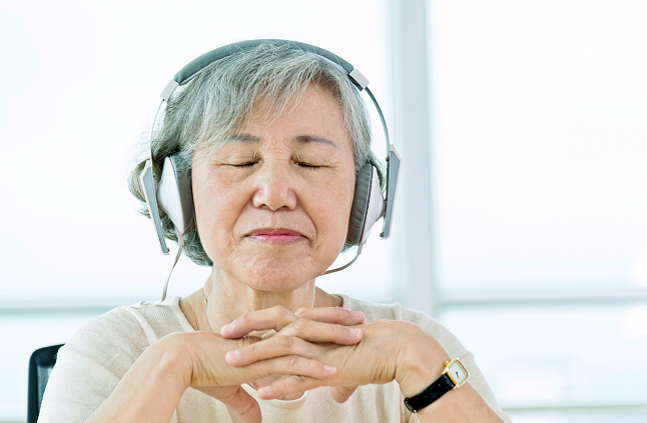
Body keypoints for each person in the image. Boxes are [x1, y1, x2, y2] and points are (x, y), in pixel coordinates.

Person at [38, 40, 511, 423]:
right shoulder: (114, 351)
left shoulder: (418, 348)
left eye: (311, 162)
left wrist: (420, 366)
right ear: (177, 193)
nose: (275, 194)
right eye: (241, 161)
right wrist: (170, 367)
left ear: (364, 197)